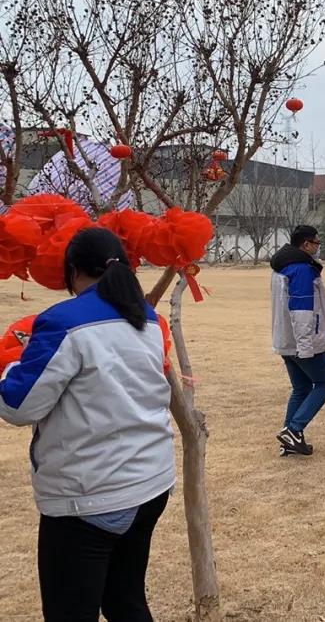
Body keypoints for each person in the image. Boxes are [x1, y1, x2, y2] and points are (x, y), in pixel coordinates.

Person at [0, 227, 174, 621]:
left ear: (74, 270)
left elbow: (19, 405)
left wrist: (11, 365)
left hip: (90, 495)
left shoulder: (63, 321)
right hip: (150, 482)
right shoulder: (146, 317)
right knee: (125, 601)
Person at [271, 225, 325, 456]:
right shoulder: (301, 269)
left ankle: (289, 440)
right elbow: (302, 311)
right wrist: (306, 347)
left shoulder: (283, 267)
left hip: (286, 340)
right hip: (303, 342)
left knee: (301, 388)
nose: (318, 247)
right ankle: (294, 429)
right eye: (316, 243)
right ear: (306, 244)